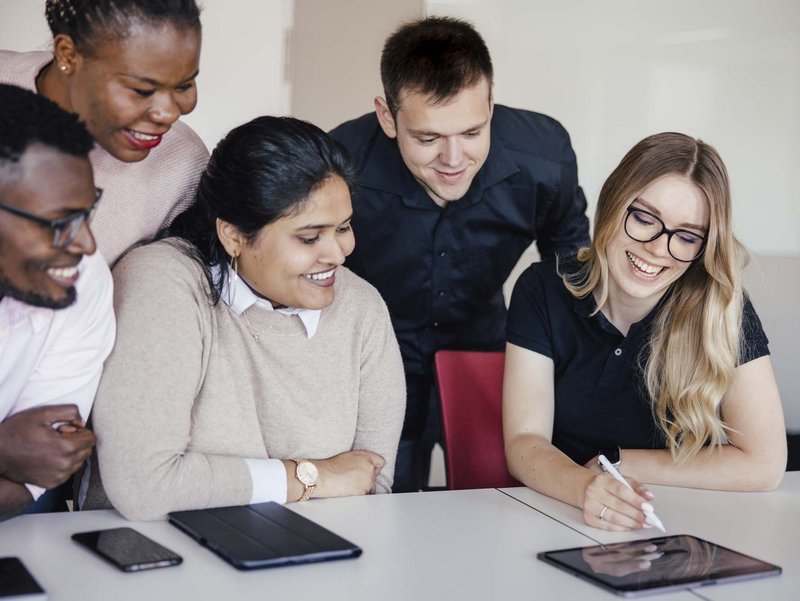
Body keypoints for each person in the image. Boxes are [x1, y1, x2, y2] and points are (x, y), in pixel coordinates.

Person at [82, 116, 406, 521]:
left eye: (343, 227)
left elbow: (369, 483)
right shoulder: (163, 283)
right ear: (233, 235)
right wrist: (312, 477)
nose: (338, 254)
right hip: (157, 554)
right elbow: (143, 485)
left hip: (315, 560)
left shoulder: (361, 307)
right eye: (309, 237)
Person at [330, 16, 590, 492]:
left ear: (491, 102)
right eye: (428, 139)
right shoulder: (340, 161)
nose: (453, 160)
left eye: (471, 132)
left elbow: (571, 269)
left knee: (497, 498)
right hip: (373, 360)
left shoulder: (544, 158)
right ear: (387, 118)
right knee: (379, 500)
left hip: (485, 350)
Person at [503, 132, 787, 532]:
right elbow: (523, 442)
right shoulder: (543, 287)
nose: (657, 248)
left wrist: (617, 462)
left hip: (681, 527)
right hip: (561, 516)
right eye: (644, 218)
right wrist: (586, 488)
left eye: (686, 236)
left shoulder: (721, 306)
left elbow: (765, 464)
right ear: (613, 203)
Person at [0, 0, 208, 266]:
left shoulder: (183, 166)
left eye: (184, 85)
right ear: (67, 55)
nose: (168, 113)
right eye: (142, 90)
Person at [0, 83, 115, 521]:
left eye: (87, 213)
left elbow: (39, 470)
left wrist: (16, 456)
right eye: (61, 223)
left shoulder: (83, 281)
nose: (86, 244)